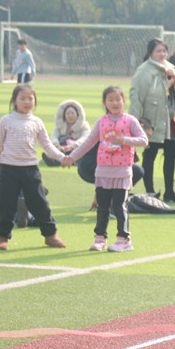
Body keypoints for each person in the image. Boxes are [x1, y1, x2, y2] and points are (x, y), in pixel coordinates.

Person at [65, 86, 148, 252]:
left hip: (122, 171)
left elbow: (143, 140)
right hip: (103, 170)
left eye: (118, 99)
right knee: (102, 207)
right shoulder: (101, 121)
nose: (115, 103)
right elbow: (88, 142)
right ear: (105, 103)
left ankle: (124, 239)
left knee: (119, 207)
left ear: (123, 101)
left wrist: (124, 140)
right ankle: (100, 238)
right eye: (111, 100)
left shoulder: (130, 120)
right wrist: (71, 157)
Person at [0, 84, 66, 250]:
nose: (26, 102)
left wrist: (62, 157)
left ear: (35, 101)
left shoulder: (37, 122)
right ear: (14, 101)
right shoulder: (6, 120)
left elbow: (47, 145)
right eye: (22, 98)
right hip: (8, 169)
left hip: (30, 169)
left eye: (30, 98)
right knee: (6, 204)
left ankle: (50, 235)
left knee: (39, 203)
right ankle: (1, 237)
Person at [129, 39, 175, 203]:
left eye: (164, 51)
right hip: (151, 120)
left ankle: (169, 192)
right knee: (150, 154)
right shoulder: (144, 71)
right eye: (158, 51)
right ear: (151, 53)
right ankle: (150, 192)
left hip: (170, 119)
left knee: (171, 154)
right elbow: (137, 97)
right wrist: (136, 123)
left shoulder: (171, 69)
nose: (162, 54)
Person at [42, 100, 91, 166]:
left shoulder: (84, 125)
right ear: (64, 115)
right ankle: (55, 159)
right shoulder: (60, 126)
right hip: (62, 148)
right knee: (57, 150)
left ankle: (57, 160)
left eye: (72, 113)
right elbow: (54, 136)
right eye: (68, 114)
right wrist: (57, 145)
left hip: (76, 149)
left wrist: (73, 146)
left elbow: (85, 137)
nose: (70, 116)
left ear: (77, 114)